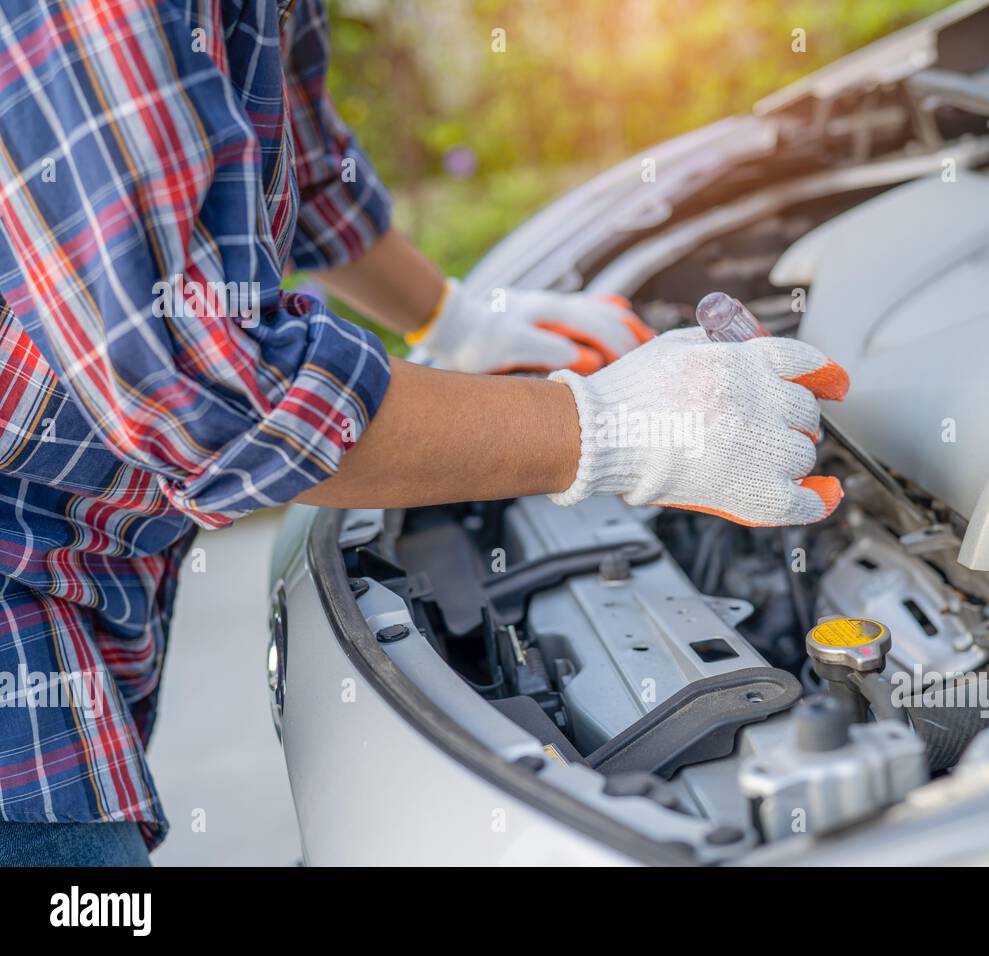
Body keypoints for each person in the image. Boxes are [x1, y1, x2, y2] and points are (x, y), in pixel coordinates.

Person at [0, 0, 847, 866]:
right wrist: (606, 430)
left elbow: (298, 159)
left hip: (72, 561)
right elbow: (207, 391)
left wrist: (454, 320)